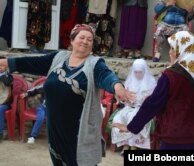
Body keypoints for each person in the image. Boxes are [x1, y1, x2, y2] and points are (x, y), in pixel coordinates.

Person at [0, 24, 134, 166]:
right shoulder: (59, 58)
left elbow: (106, 76)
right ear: (72, 40)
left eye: (90, 39)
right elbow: (33, 62)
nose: (85, 41)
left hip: (78, 131)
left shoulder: (94, 64)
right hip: (56, 128)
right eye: (81, 37)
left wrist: (117, 86)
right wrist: (6, 62)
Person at [112, 31, 194, 150]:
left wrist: (131, 127)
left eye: (173, 48)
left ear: (182, 51)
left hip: (177, 137)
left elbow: (153, 104)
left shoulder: (171, 75)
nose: (170, 52)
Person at [111, 59, 156, 153]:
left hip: (143, 110)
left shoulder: (151, 83)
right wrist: (126, 99)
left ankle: (134, 146)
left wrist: (142, 100)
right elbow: (124, 98)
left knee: (134, 119)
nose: (138, 74)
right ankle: (126, 145)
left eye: (140, 72)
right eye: (135, 72)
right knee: (117, 119)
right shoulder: (129, 81)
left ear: (144, 71)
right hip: (129, 108)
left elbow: (152, 101)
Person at [0, 64, 13, 141]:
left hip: (6, 103)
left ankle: (1, 132)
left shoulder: (9, 77)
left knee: (0, 109)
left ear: (6, 67)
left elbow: (7, 83)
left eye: (1, 66)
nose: (0, 67)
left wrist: (1, 75)